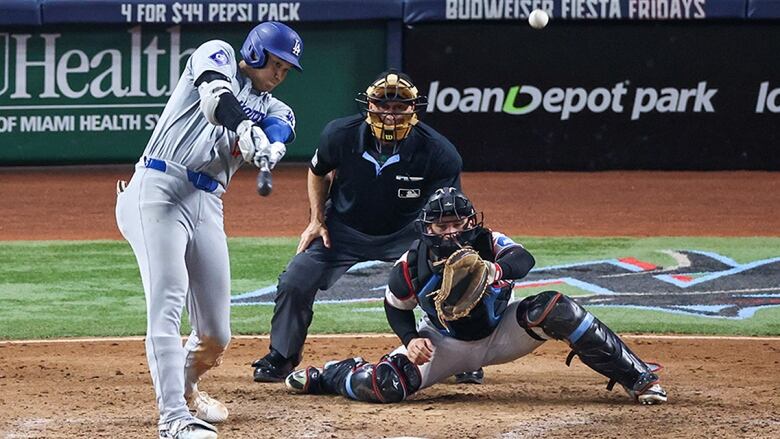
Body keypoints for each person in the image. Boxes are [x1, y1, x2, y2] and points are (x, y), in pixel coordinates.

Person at [284, 187, 669, 406]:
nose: (451, 231)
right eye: (442, 224)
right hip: (443, 345)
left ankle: (639, 378)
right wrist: (410, 339)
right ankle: (332, 373)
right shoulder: (411, 262)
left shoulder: (489, 241)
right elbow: (395, 305)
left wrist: (496, 270)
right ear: (428, 226)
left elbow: (524, 258)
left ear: (471, 222)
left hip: (503, 333)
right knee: (384, 385)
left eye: (458, 223)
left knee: (556, 307)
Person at [115, 22, 303, 439]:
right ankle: (172, 419)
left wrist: (268, 147)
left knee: (216, 332)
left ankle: (185, 390)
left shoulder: (274, 106)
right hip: (159, 190)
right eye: (276, 63)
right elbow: (216, 101)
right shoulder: (215, 53)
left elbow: (281, 127)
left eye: (287, 69)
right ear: (254, 53)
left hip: (207, 203)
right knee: (167, 304)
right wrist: (242, 127)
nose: (279, 73)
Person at [251, 71, 465, 383]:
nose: (390, 114)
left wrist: (441, 248)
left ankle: (461, 355)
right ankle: (282, 356)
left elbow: (449, 206)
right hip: (343, 229)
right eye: (382, 105)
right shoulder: (340, 134)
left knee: (453, 276)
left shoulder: (438, 151)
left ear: (413, 109)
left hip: (408, 233)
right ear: (369, 106)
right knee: (296, 279)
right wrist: (316, 221)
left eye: (399, 106)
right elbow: (317, 171)